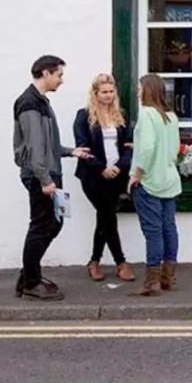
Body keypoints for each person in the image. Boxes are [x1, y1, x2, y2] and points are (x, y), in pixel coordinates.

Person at [13, 55, 91, 300]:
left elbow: (47, 144)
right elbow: (36, 148)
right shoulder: (29, 103)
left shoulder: (41, 102)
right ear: (45, 73)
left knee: (53, 223)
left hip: (47, 172)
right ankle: (31, 283)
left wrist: (71, 151)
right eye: (59, 74)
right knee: (40, 226)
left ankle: (29, 274)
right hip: (40, 175)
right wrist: (45, 180)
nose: (62, 80)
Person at [73, 73, 135, 283]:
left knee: (104, 216)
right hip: (92, 176)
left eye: (111, 91)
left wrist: (119, 166)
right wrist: (101, 168)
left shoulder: (121, 115)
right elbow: (83, 148)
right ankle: (121, 262)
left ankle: (94, 261)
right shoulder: (84, 116)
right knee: (108, 215)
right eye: (104, 92)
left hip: (116, 175)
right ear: (95, 94)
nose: (108, 96)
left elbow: (128, 146)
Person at [128, 73, 182, 297]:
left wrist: (136, 174)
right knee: (169, 228)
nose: (138, 92)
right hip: (170, 179)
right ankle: (167, 277)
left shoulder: (147, 114)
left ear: (148, 90)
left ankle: (152, 283)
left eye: (140, 88)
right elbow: (174, 148)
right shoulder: (171, 117)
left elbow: (148, 147)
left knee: (153, 232)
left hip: (150, 181)